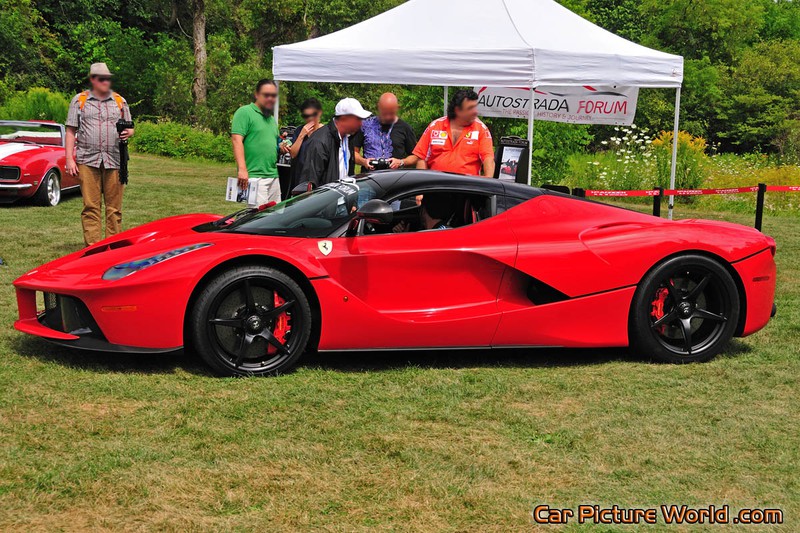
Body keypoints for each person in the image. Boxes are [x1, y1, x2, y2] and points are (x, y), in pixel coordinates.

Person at [65, 62, 134, 246]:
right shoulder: (79, 100)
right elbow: (71, 130)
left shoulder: (120, 101)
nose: (106, 82)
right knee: (90, 207)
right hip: (87, 160)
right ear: (93, 80)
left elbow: (130, 127)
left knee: (114, 209)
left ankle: (112, 248)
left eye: (108, 78)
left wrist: (129, 132)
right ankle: (93, 249)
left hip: (115, 160)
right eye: (102, 78)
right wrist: (69, 159)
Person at [413, 89, 495, 177]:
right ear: (457, 110)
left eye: (475, 107)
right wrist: (423, 185)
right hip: (436, 185)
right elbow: (421, 158)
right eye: (470, 108)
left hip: (466, 187)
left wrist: (488, 181)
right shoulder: (435, 126)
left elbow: (488, 159)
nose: (475, 112)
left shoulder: (481, 129)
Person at [231, 79, 288, 205]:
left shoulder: (271, 119)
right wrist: (242, 169)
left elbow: (271, 143)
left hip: (273, 175)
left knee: (276, 216)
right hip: (255, 176)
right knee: (258, 220)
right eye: (266, 95)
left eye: (273, 96)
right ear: (256, 94)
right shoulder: (245, 112)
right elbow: (236, 140)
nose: (270, 99)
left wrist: (280, 147)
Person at [300, 98, 371, 186]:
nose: (361, 124)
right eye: (358, 119)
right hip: (327, 198)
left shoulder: (348, 138)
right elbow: (309, 183)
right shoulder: (320, 141)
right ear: (344, 118)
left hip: (343, 196)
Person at [353, 93, 418, 171]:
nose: (387, 117)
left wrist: (401, 162)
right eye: (384, 113)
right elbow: (353, 152)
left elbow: (416, 157)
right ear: (378, 107)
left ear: (397, 108)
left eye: (391, 113)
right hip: (369, 178)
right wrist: (363, 161)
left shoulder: (405, 128)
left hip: (395, 179)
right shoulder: (365, 125)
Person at [288, 98, 324, 186]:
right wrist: (302, 135)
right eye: (306, 116)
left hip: (319, 179)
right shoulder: (299, 130)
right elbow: (293, 154)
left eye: (313, 115)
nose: (310, 118)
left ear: (319, 113)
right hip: (301, 178)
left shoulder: (325, 132)